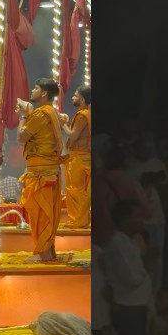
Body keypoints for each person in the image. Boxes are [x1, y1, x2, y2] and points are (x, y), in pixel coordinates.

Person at [102, 199, 152, 335]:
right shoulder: (117, 244)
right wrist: (146, 267)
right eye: (137, 216)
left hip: (136, 307)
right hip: (128, 308)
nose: (142, 221)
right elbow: (131, 278)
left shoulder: (129, 242)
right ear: (124, 219)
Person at [18, 78, 65, 262]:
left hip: (40, 173)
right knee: (47, 212)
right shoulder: (52, 112)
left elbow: (21, 137)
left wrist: (23, 116)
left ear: (44, 93)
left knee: (40, 213)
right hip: (50, 170)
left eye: (36, 88)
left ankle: (43, 252)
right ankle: (48, 250)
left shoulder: (40, 114)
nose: (32, 90)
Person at [62, 85, 92, 228]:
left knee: (76, 189)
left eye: (75, 95)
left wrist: (63, 124)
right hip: (83, 156)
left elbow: (73, 135)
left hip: (79, 157)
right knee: (81, 190)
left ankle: (78, 221)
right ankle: (81, 220)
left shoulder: (82, 115)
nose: (72, 97)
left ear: (82, 99)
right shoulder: (86, 114)